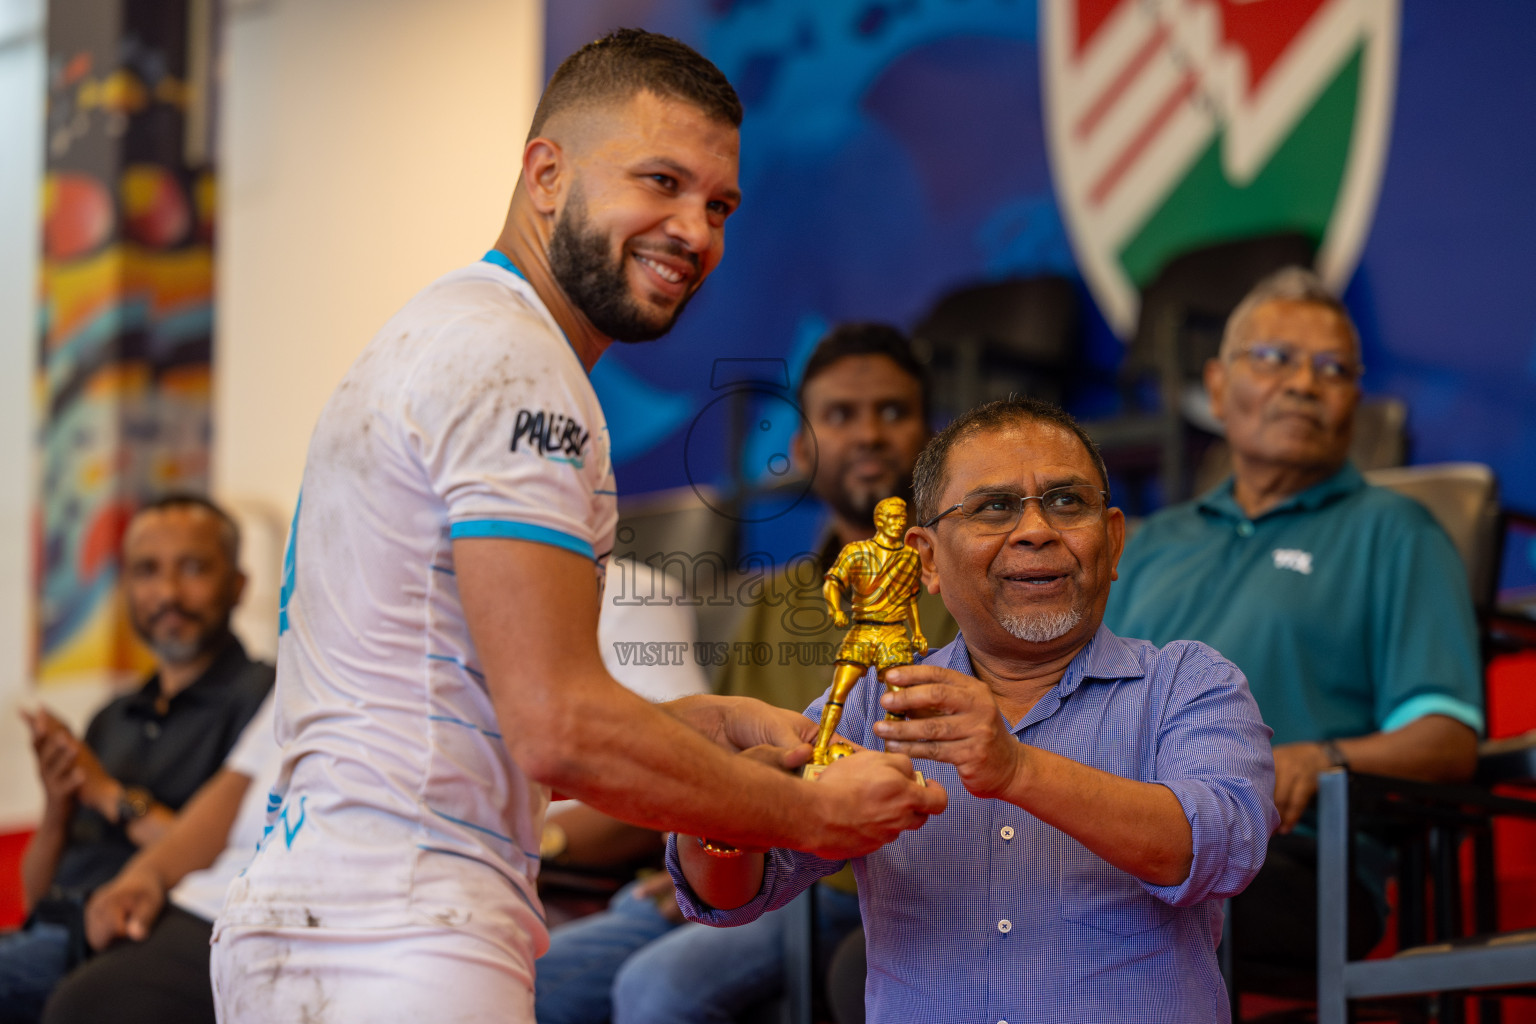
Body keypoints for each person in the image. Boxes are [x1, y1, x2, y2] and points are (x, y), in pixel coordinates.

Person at [211, 31, 943, 1024]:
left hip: (322, 913)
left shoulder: (452, 330)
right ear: (546, 174)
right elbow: (560, 726)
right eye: (661, 180)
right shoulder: (516, 367)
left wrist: (716, 731)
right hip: (402, 934)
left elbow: (469, 715)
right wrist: (810, 812)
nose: (695, 231)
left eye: (719, 205)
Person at [671, 397, 1278, 1023]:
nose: (1037, 530)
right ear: (926, 560)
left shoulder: (1186, 683)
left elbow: (1223, 852)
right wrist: (726, 818)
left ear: (1114, 540)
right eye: (994, 508)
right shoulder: (878, 703)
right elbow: (737, 895)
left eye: (1068, 502)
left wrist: (1016, 769)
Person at [534, 324, 958, 1024]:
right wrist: (701, 860)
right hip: (728, 871)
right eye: (841, 415)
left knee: (656, 990)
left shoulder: (958, 584)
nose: (870, 435)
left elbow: (924, 780)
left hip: (847, 886)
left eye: (893, 411)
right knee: (523, 983)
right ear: (802, 446)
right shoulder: (775, 600)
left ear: (930, 436)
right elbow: (714, 758)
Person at [1103, 266, 1483, 970]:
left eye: (1332, 369)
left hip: (1292, 861)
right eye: (1275, 358)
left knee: (1100, 906)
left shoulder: (1393, 532)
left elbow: (1446, 739)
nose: (1304, 384)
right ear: (1217, 386)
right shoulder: (1149, 543)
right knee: (889, 941)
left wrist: (1322, 757)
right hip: (1124, 835)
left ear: (1355, 401)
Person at [0, 496, 273, 1024]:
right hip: (57, 936)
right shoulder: (114, 715)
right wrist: (59, 803)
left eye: (192, 568)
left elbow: (224, 859)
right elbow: (36, 900)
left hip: (149, 942)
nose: (168, 593)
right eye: (147, 571)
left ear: (239, 585)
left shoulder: (266, 699)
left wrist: (108, 795)